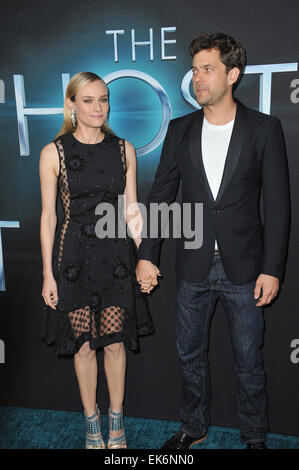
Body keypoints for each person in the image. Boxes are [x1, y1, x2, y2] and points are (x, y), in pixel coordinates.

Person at [136, 33, 290, 449]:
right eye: (195, 69)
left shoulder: (264, 128)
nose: (198, 78)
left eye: (208, 69)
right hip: (193, 266)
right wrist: (147, 254)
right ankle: (194, 427)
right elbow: (162, 196)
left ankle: (255, 436)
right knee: (189, 357)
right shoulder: (180, 129)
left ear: (233, 74)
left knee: (248, 362)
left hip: (245, 268)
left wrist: (272, 269)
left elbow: (277, 207)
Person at [39, 71, 154, 449]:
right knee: (85, 345)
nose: (97, 107)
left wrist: (144, 256)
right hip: (73, 259)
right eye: (87, 100)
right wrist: (47, 274)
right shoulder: (53, 152)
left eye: (103, 99)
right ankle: (92, 422)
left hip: (116, 256)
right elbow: (49, 217)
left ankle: (116, 421)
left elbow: (131, 210)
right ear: (71, 105)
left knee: (115, 343)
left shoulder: (124, 149)